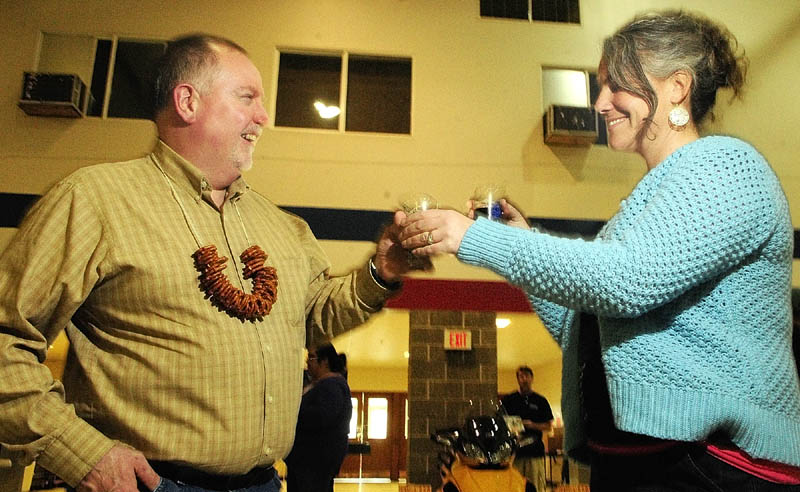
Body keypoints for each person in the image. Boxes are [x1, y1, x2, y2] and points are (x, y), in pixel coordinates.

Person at [399, 10, 800, 491]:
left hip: (714, 466)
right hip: (639, 463)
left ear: (677, 87)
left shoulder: (728, 167)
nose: (600, 102)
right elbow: (580, 324)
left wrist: (476, 238)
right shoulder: (647, 202)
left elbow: (627, 280)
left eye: (616, 85)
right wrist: (521, 239)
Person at [0, 34, 420, 492]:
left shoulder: (281, 225)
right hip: (147, 485)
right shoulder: (96, 200)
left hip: (263, 484)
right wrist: (81, 452)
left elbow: (311, 316)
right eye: (248, 98)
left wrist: (383, 272)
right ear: (187, 101)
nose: (264, 116)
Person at [285, 343, 352, 492]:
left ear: (325, 361)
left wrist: (292, 412)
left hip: (314, 462)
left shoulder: (331, 386)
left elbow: (320, 417)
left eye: (312, 358)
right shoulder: (323, 385)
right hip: (309, 463)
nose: (308, 362)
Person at [501, 366, 553, 492]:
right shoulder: (509, 399)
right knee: (514, 484)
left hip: (534, 452)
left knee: (535, 484)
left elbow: (548, 425)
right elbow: (501, 421)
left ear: (532, 378)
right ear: (518, 379)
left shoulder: (540, 401)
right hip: (515, 452)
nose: (524, 379)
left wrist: (532, 425)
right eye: (521, 376)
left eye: (526, 376)